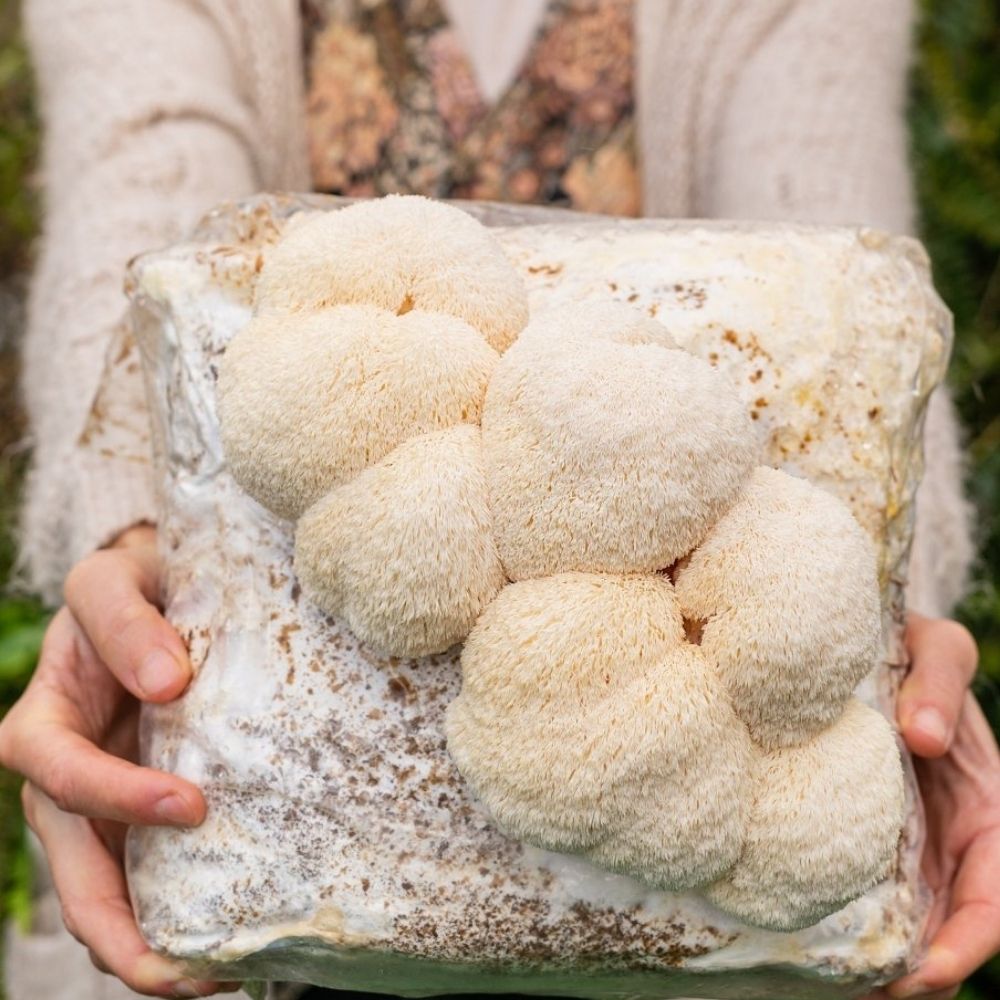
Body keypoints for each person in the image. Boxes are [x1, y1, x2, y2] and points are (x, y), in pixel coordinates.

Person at [1, 1, 998, 998]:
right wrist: (137, 554)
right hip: (283, 853)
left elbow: (842, 296)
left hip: (702, 829)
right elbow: (141, 185)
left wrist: (884, 642)